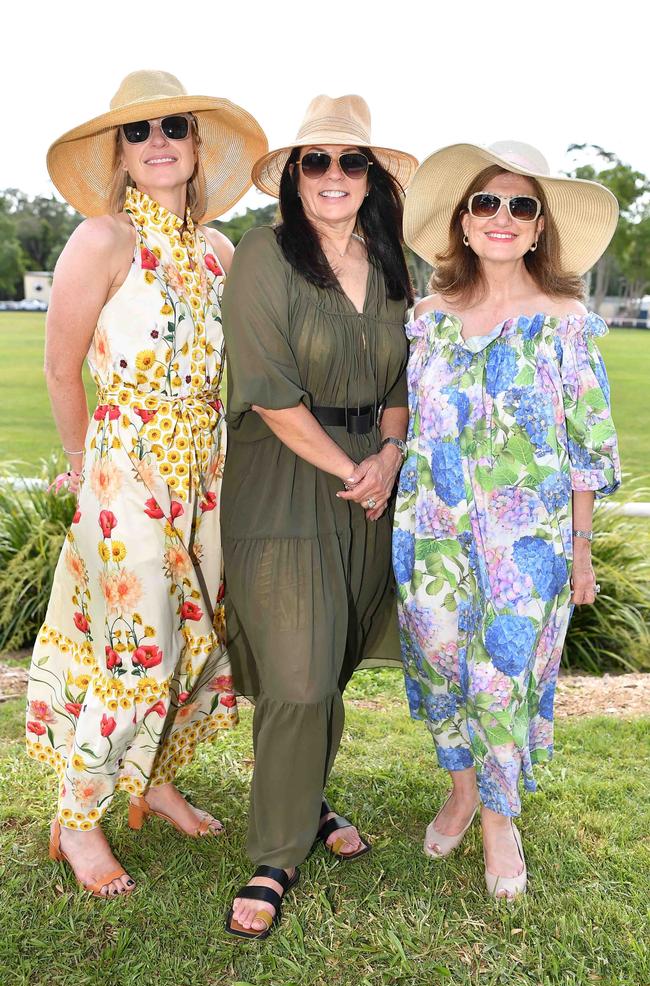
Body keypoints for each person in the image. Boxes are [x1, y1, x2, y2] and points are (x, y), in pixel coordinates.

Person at [26, 69, 267, 897]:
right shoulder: (100, 242)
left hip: (202, 472)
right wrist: (80, 468)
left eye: (173, 126)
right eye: (140, 132)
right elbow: (61, 370)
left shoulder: (219, 252)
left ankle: (151, 777)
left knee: (195, 637)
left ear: (197, 146)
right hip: (124, 471)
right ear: (122, 157)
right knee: (140, 649)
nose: (158, 142)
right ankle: (78, 815)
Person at [394, 141, 621, 899]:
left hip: (529, 544)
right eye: (486, 202)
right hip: (432, 534)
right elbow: (413, 426)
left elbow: (589, 446)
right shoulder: (426, 319)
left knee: (500, 678)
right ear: (462, 221)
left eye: (521, 206)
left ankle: (499, 819)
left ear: (537, 229)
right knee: (440, 664)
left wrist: (582, 551)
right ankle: (461, 789)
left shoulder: (567, 320)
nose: (502, 217)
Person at [220, 95, 417, 938]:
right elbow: (264, 389)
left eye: (351, 161)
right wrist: (355, 469)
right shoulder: (263, 257)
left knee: (330, 656)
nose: (334, 176)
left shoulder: (400, 261)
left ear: (370, 176)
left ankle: (307, 796)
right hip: (288, 476)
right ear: (295, 176)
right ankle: (276, 856)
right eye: (317, 160)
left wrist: (391, 457)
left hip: (373, 472)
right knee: (297, 674)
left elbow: (409, 382)